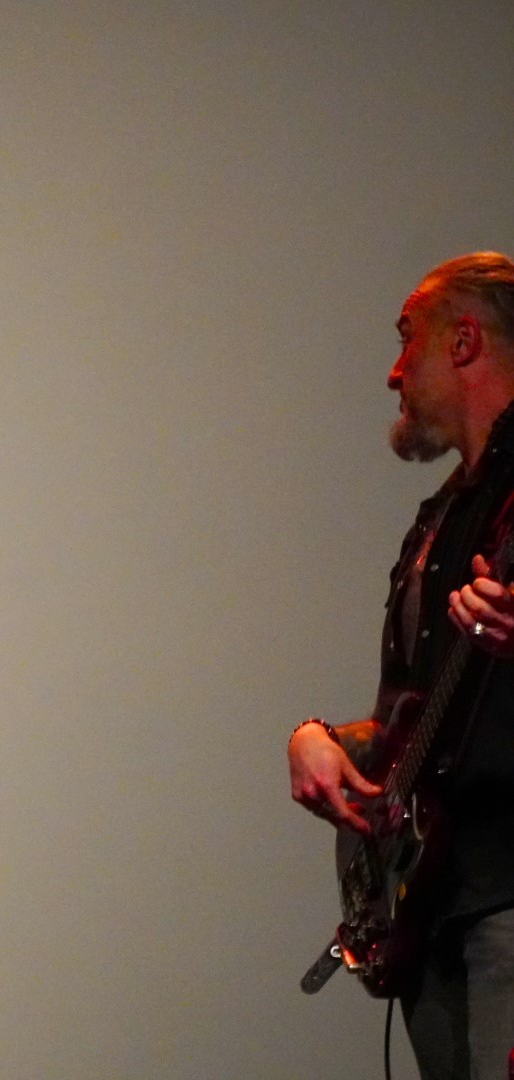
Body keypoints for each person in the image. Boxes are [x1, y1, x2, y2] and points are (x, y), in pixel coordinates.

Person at [288, 252, 514, 1079]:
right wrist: (320, 739)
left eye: (404, 338)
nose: (392, 372)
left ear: (461, 342)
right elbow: (409, 720)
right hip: (433, 908)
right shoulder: (439, 519)